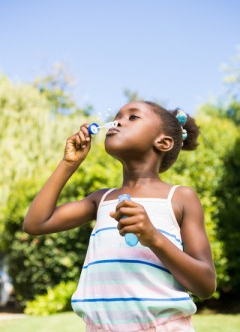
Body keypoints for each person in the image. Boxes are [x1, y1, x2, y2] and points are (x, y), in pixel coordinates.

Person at [23, 101, 216, 332]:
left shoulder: (180, 197)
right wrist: (69, 163)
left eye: (133, 117)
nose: (117, 121)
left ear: (163, 142)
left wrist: (153, 237)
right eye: (117, 116)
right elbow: (35, 223)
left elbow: (205, 284)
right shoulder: (101, 200)